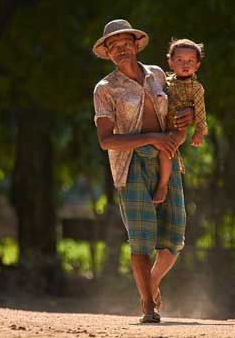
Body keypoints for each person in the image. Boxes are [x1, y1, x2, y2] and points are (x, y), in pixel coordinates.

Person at [92, 19, 194, 323]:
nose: (121, 51)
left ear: (136, 45)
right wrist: (151, 138)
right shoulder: (105, 88)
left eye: (126, 44)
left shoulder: (159, 75)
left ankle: (151, 282)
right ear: (108, 53)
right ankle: (149, 306)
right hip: (131, 165)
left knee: (174, 238)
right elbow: (106, 141)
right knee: (141, 238)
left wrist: (186, 117)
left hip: (167, 158)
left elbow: (178, 109)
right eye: (114, 47)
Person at [153, 38, 208, 205]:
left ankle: (162, 185)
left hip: (178, 128)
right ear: (170, 62)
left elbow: (200, 111)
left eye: (190, 61)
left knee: (166, 149)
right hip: (161, 124)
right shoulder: (165, 81)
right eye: (180, 60)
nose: (185, 64)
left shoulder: (196, 88)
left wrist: (199, 132)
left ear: (197, 65)